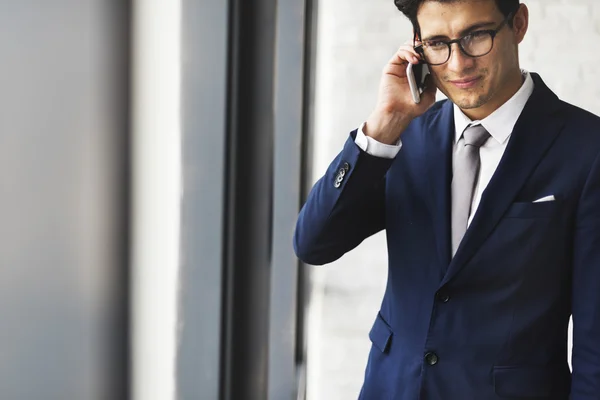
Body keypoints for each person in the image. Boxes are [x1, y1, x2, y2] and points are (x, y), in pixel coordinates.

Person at [293, 0, 600, 398]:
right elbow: (314, 243)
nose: (457, 63)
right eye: (437, 43)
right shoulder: (403, 136)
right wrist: (382, 126)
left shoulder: (586, 149)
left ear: (518, 24)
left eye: (476, 36)